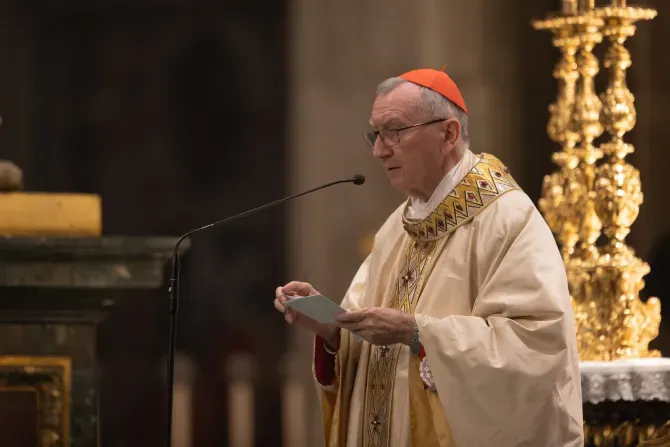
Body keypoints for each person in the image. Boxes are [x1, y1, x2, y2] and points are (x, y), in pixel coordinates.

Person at [274, 68, 584, 446]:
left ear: (449, 134)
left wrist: (418, 332)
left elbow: (537, 349)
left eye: (395, 131)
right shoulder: (395, 230)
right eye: (375, 133)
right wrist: (331, 329)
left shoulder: (508, 220)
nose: (379, 149)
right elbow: (366, 338)